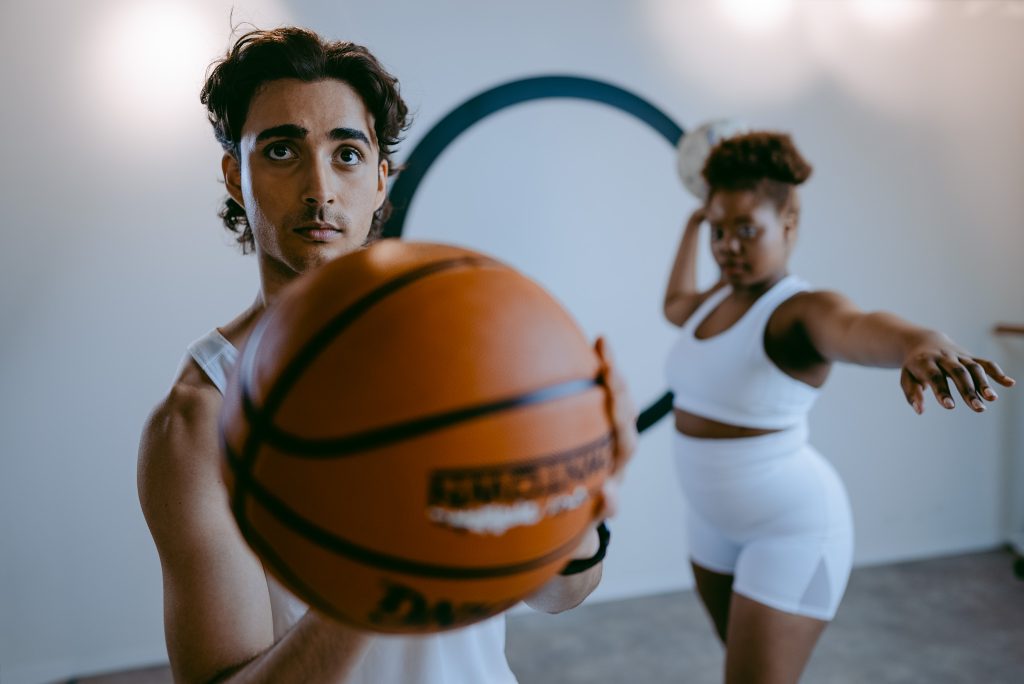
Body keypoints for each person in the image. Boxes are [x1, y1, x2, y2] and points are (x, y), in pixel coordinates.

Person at [137, 27, 637, 684]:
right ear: (237, 176)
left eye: (346, 153)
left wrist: (580, 496)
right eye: (282, 150)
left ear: (380, 179)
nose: (320, 187)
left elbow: (560, 593)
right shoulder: (199, 419)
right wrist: (388, 566)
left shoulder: (464, 349)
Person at [662, 131, 1014, 684]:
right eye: (718, 230)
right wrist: (691, 224)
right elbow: (674, 306)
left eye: (745, 229)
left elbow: (856, 326)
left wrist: (917, 341)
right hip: (710, 521)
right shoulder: (716, 298)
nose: (727, 246)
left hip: (789, 527)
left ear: (789, 225)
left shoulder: (798, 310)